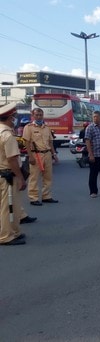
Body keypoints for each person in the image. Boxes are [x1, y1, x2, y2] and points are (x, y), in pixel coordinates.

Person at [0, 103, 28, 245]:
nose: (15, 120)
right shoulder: (7, 135)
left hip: (2, 174)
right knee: (8, 207)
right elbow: (12, 159)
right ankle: (6, 236)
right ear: (10, 118)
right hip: (8, 176)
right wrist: (21, 178)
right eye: (14, 117)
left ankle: (14, 232)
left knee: (9, 206)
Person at [22, 108, 58, 206]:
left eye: (40, 115)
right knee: (34, 177)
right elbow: (27, 142)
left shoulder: (46, 127)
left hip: (47, 154)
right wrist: (30, 156)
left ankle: (46, 196)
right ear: (33, 115)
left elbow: (50, 142)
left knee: (48, 177)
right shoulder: (28, 127)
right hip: (36, 154)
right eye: (37, 115)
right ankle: (33, 198)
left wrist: (54, 154)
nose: (39, 116)